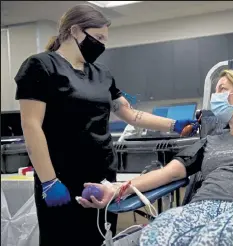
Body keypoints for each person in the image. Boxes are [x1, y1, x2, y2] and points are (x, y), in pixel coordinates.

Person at [14, 4, 197, 246]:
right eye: (98, 38)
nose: (101, 45)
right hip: (61, 179)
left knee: (98, 238)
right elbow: (31, 125)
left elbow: (130, 114)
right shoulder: (40, 66)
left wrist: (174, 124)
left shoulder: (101, 73)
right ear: (75, 30)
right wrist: (48, 181)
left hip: (103, 179)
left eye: (104, 40)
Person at [81, 69, 233, 245]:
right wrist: (117, 188)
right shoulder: (209, 141)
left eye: (222, 89)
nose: (215, 96)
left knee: (211, 240)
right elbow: (167, 174)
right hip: (202, 208)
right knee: (157, 235)